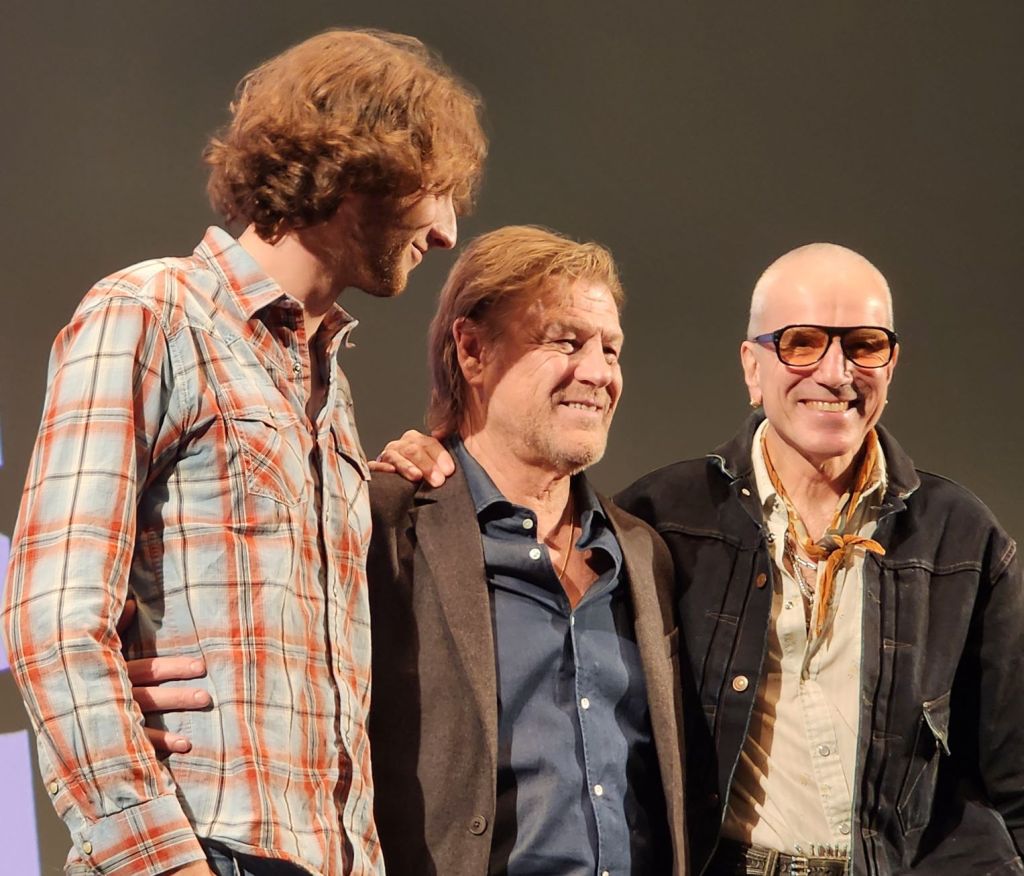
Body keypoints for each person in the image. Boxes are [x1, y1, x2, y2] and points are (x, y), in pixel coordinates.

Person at [372, 242, 1024, 874]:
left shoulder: (958, 539)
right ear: (751, 367)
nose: (835, 372)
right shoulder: (668, 523)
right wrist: (434, 460)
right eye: (801, 342)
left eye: (864, 345)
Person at [2, 28, 485, 876]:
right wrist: (162, 860)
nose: (444, 232)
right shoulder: (153, 312)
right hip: (203, 852)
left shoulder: (325, 379)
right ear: (355, 169)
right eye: (433, 190)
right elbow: (54, 620)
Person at [128, 225, 688, 875]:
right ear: (473, 350)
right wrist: (168, 682)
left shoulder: (642, 556)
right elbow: (266, 669)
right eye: (565, 341)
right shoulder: (378, 522)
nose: (597, 372)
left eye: (611, 350)